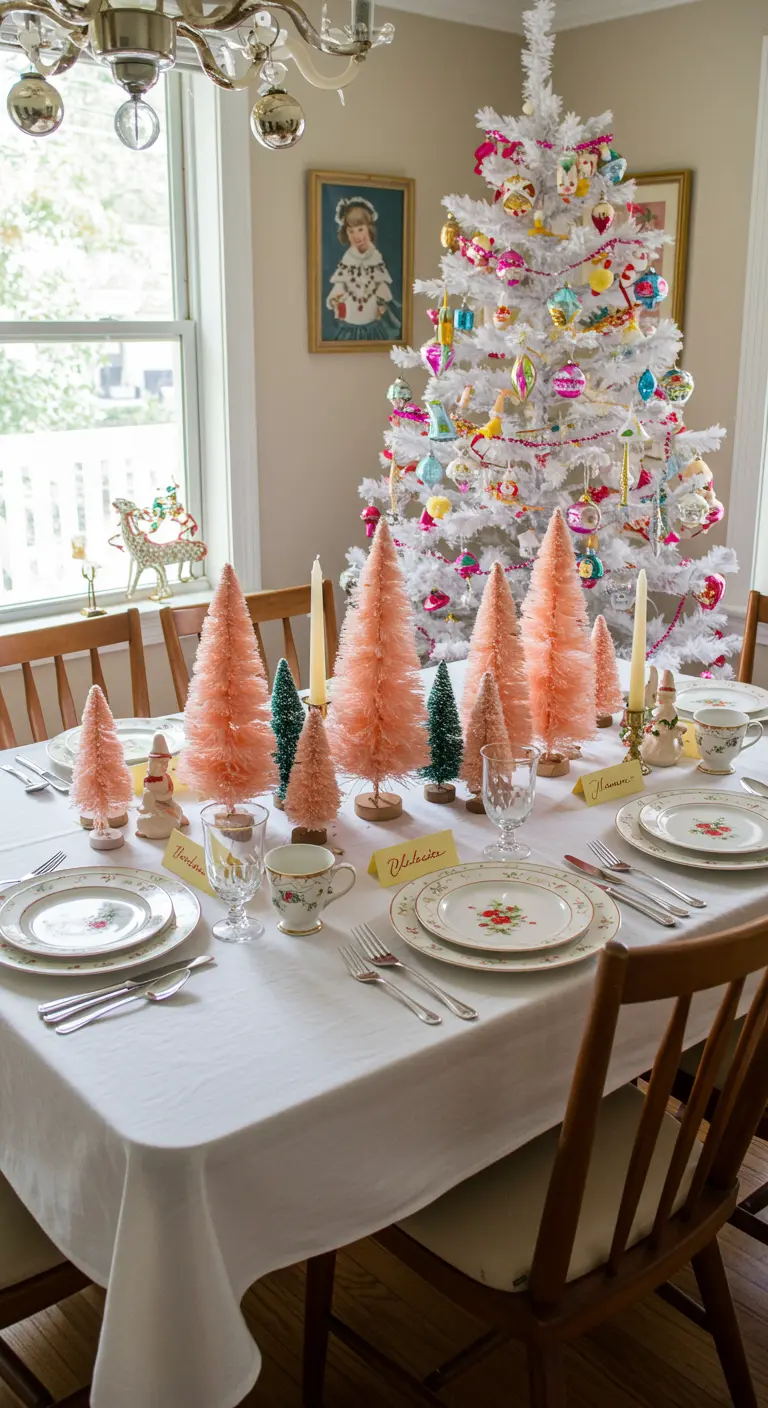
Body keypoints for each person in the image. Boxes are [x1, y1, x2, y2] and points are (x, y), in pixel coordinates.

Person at [326, 196, 402, 341]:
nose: (356, 236)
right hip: (349, 328)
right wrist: (335, 301)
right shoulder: (347, 263)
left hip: (373, 329)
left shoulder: (376, 261)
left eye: (360, 229)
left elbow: (385, 293)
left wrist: (382, 302)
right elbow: (337, 290)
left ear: (369, 229)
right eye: (351, 231)